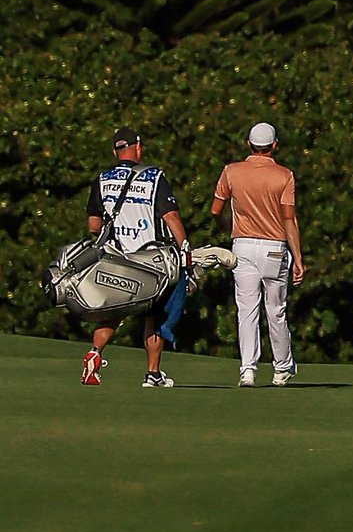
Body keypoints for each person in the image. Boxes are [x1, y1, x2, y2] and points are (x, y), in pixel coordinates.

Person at [82, 126, 189, 388]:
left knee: (114, 311)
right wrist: (184, 246)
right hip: (148, 258)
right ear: (138, 148)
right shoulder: (154, 176)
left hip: (116, 257)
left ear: (115, 151)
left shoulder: (103, 178)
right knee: (154, 313)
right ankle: (153, 374)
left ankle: (94, 354)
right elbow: (171, 216)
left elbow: (94, 226)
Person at [211, 122, 305, 387]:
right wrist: (298, 257)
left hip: (242, 246)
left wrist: (227, 229)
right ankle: (281, 368)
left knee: (246, 310)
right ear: (274, 145)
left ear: (248, 144)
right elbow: (289, 219)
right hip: (274, 247)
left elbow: (216, 209)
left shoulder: (231, 171)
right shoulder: (284, 175)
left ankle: (248, 369)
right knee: (276, 310)